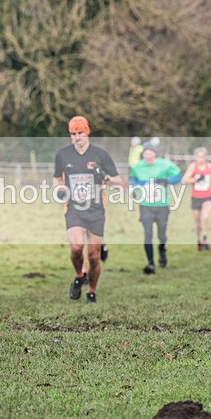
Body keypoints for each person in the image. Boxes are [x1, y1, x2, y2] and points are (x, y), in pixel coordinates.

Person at [53, 116, 121, 303]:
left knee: (93, 256)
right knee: (76, 247)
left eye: (80, 133)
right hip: (74, 209)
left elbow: (119, 181)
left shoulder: (100, 155)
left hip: (96, 210)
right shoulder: (62, 155)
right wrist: (59, 189)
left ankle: (91, 290)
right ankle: (79, 275)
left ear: (87, 133)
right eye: (73, 134)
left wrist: (104, 177)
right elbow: (57, 178)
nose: (77, 137)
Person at [129, 142, 182, 274]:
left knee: (161, 235)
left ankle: (162, 249)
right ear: (143, 155)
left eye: (150, 153)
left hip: (162, 205)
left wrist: (167, 181)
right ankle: (151, 263)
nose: (148, 156)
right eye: (146, 153)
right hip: (145, 205)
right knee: (148, 234)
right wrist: (135, 189)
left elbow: (178, 176)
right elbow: (132, 180)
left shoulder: (164, 164)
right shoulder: (137, 167)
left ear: (155, 154)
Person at [182, 147, 211, 251]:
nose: (201, 159)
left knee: (205, 217)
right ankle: (198, 241)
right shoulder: (193, 167)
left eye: (203, 157)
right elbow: (184, 180)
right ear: (195, 157)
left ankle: (205, 238)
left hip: (207, 197)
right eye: (199, 157)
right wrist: (196, 179)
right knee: (197, 223)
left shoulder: (209, 166)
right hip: (196, 197)